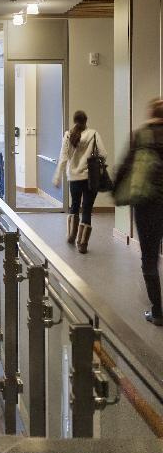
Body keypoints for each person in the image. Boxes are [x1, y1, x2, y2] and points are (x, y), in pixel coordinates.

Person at [114, 99, 163, 326]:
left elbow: (126, 166)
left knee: (150, 258)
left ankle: (158, 312)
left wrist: (115, 189)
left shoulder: (141, 135)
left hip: (148, 206)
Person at [53, 110, 107, 254]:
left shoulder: (68, 135)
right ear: (86, 120)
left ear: (74, 120)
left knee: (75, 205)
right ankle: (82, 244)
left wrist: (57, 176)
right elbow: (103, 154)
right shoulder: (94, 134)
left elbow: (63, 158)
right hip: (90, 177)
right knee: (87, 208)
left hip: (74, 177)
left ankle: (71, 235)